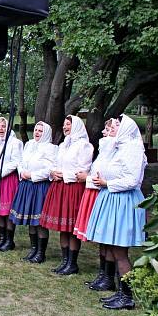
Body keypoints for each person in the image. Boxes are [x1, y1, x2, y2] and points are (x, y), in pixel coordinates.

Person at [85, 115, 147, 310]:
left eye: (118, 125)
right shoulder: (120, 147)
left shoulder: (133, 149)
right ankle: (119, 291)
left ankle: (127, 296)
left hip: (123, 200)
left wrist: (107, 183)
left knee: (120, 251)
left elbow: (132, 180)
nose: (114, 128)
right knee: (112, 247)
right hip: (112, 198)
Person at [39, 115, 93, 275]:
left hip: (73, 188)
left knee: (71, 226)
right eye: (64, 124)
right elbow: (56, 163)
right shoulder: (63, 145)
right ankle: (65, 261)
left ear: (75, 126)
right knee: (63, 227)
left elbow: (84, 169)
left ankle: (72, 262)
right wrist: (53, 172)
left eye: (68, 124)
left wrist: (64, 174)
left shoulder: (84, 146)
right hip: (60, 187)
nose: (65, 127)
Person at [74, 119, 118, 290]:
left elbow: (106, 178)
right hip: (98, 194)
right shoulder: (105, 151)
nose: (104, 132)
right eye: (105, 129)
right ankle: (103, 275)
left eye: (109, 129)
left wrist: (88, 178)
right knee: (102, 239)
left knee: (109, 239)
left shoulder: (116, 152)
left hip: (105, 194)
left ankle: (108, 277)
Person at [9, 121, 57, 262]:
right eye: (36, 130)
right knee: (31, 219)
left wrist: (33, 175)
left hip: (40, 186)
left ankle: (41, 253)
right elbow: (21, 161)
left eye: (40, 131)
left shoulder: (51, 148)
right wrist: (22, 172)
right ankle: (33, 249)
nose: (37, 133)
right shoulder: (29, 145)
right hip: (26, 185)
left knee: (39, 220)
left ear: (46, 133)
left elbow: (50, 168)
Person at [0, 117, 23, 251]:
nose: (1, 129)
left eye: (3, 126)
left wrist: (1, 171)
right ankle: (2, 238)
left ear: (8, 127)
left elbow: (16, 161)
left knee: (7, 211)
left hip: (7, 179)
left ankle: (9, 240)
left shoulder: (14, 143)